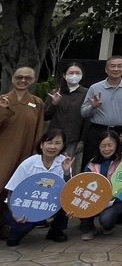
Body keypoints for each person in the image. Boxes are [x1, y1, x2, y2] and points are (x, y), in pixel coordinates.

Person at [4, 129, 73, 246]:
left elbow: (68, 190)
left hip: (51, 203)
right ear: (41, 145)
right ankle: (14, 229)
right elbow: (12, 190)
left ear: (63, 146)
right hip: (28, 203)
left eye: (57, 143)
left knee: (65, 203)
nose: (52, 147)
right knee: (14, 239)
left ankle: (56, 230)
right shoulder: (29, 163)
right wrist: (15, 212)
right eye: (49, 142)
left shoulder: (64, 162)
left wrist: (66, 172)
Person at [80, 56, 122, 169]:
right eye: (112, 66)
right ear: (106, 69)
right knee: (90, 163)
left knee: (116, 165)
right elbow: (83, 112)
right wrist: (93, 106)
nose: (116, 69)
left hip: (118, 132)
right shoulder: (95, 88)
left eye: (119, 66)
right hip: (97, 131)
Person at [0, 67, 45, 195]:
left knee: (17, 189)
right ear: (13, 79)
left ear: (34, 80)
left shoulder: (37, 103)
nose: (23, 80)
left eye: (28, 78)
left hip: (25, 153)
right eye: (19, 77)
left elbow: (39, 130)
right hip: (3, 151)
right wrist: (2, 110)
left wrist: (37, 155)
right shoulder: (3, 100)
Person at [79, 130, 122, 240]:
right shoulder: (92, 163)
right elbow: (82, 184)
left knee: (106, 220)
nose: (106, 149)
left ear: (116, 145)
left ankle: (111, 222)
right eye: (103, 146)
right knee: (79, 202)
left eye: (110, 145)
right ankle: (88, 227)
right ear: (98, 147)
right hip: (94, 199)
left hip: (115, 201)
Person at [44, 63, 88, 164]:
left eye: (77, 73)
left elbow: (87, 119)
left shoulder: (86, 93)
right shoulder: (56, 92)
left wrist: (82, 140)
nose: (74, 75)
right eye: (71, 73)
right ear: (64, 75)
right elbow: (45, 116)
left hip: (72, 139)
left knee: (67, 168)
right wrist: (53, 104)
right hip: (53, 138)